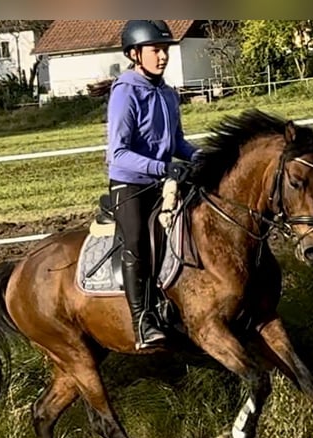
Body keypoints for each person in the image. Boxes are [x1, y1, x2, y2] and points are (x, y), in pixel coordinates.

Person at [106, 20, 199, 350]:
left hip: (164, 179)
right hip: (130, 184)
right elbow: (118, 153)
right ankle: (142, 320)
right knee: (137, 242)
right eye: (155, 50)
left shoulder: (167, 93)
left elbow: (178, 142)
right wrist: (164, 167)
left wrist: (200, 156)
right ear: (135, 54)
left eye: (165, 50)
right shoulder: (125, 92)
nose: (162, 57)